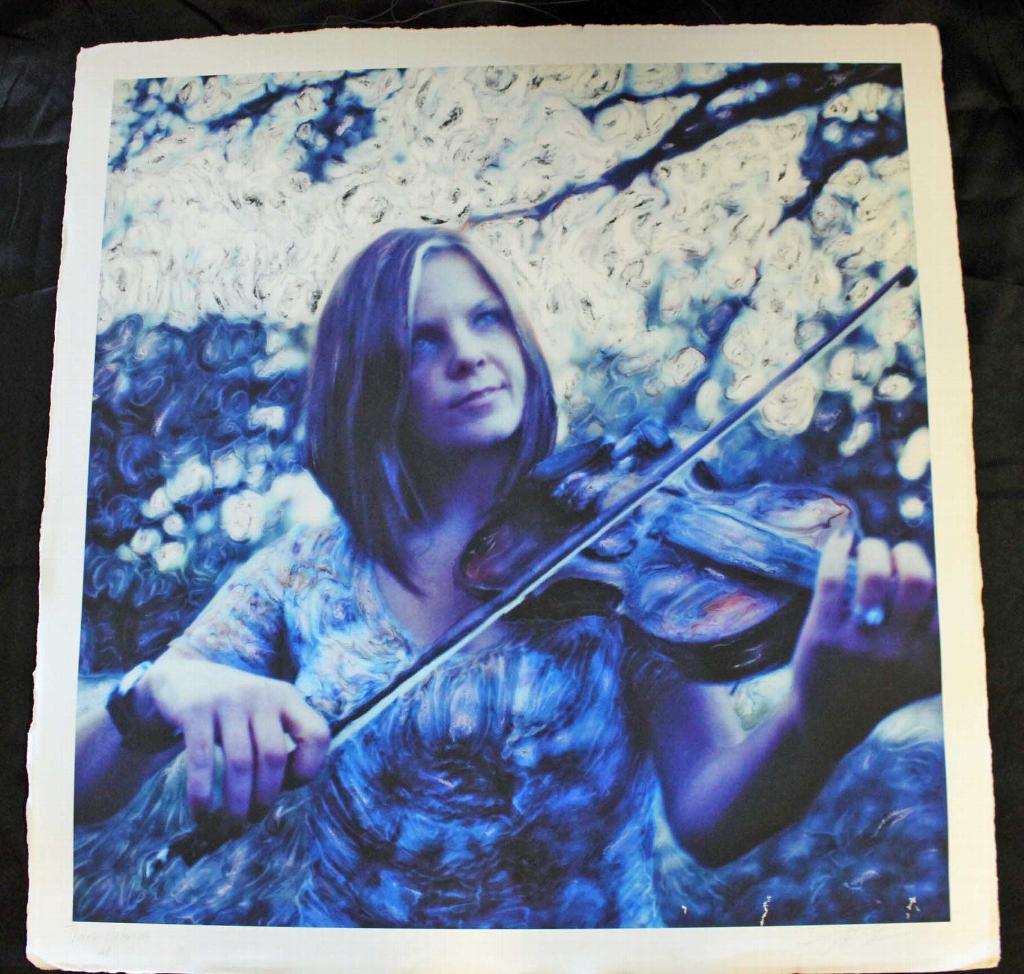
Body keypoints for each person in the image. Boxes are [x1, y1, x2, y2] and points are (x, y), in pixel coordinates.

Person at [74, 228, 940, 927]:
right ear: (367, 378)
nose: (469, 354)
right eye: (424, 340)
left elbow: (711, 818)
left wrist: (819, 722)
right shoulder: (301, 574)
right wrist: (158, 693)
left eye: (487, 320)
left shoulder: (623, 559)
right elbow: (78, 793)